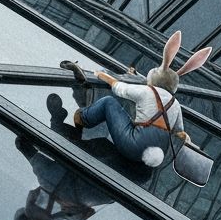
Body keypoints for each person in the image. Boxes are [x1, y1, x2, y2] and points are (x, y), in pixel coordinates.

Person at [68, 31, 210, 168]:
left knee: (108, 102)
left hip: (133, 146)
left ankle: (82, 118)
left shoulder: (147, 91)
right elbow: (179, 132)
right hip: (156, 157)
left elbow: (120, 89)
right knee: (134, 117)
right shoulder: (175, 104)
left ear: (156, 76)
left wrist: (102, 75)